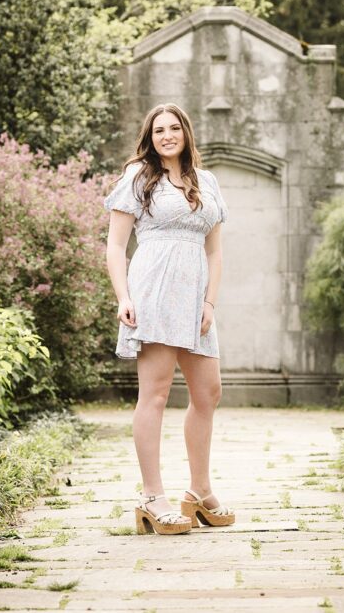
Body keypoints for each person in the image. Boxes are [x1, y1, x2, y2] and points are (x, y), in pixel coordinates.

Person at [104, 103, 236, 536]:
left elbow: (215, 251)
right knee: (155, 394)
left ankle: (198, 491)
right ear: (150, 135)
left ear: (185, 132)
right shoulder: (138, 178)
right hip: (154, 293)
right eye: (158, 129)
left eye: (173, 127)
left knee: (208, 392)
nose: (166, 135)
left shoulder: (207, 180)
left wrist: (209, 303)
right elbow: (115, 246)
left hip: (195, 299)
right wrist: (124, 296)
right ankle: (152, 497)